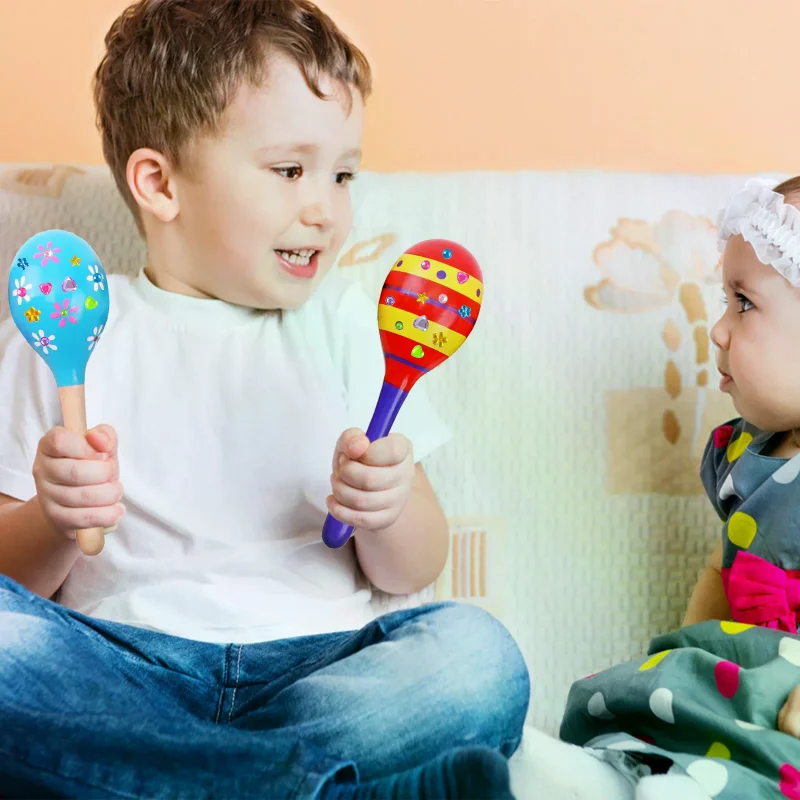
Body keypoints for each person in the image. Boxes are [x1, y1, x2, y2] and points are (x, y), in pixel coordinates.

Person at [0, 1, 529, 796]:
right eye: (289, 171)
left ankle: (180, 785)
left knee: (476, 657)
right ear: (160, 184)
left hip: (319, 671)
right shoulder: (67, 331)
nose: (326, 209)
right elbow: (14, 582)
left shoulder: (350, 327)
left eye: (342, 175)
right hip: (123, 670)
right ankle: (308, 788)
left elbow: (414, 567)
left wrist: (386, 509)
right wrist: (53, 517)